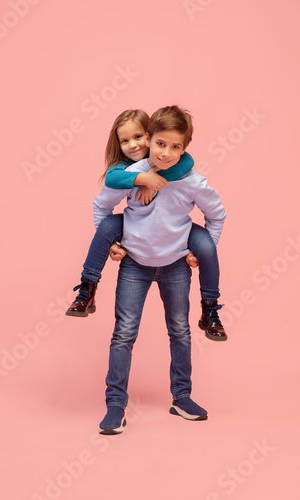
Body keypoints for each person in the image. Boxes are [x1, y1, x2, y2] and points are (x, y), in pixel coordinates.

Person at [92, 105, 226, 434]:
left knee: (180, 331)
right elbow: (102, 206)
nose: (166, 153)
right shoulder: (134, 173)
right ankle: (115, 405)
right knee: (123, 334)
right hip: (135, 265)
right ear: (149, 139)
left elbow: (217, 214)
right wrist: (110, 243)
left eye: (176, 147)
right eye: (161, 144)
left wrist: (201, 249)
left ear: (185, 148)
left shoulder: (192, 182)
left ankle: (181, 397)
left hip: (175, 266)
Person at [66, 109, 227, 341]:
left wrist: (156, 177)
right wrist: (143, 178)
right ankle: (87, 287)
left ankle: (210, 308)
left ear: (148, 135)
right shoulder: (126, 169)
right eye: (125, 140)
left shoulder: (181, 167)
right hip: (134, 237)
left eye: (138, 137)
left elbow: (186, 162)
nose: (133, 145)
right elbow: (110, 182)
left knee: (207, 246)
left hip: (176, 240)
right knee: (109, 225)